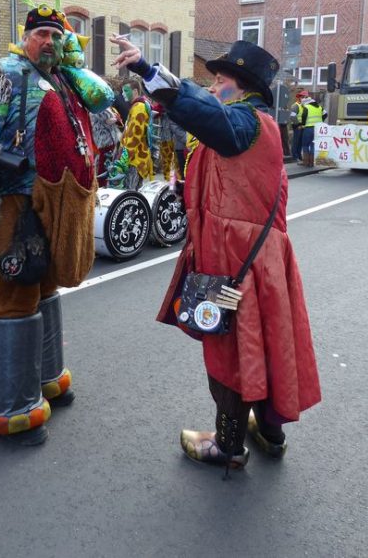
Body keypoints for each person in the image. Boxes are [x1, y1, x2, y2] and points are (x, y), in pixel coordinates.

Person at [111, 36, 321, 471]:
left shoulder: (246, 122)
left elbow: (206, 114)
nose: (212, 86)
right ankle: (270, 433)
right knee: (264, 345)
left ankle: (227, 446)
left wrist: (149, 71)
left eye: (220, 80)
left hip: (235, 262)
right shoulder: (254, 125)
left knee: (229, 350)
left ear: (243, 88)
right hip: (257, 261)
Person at [0, 5, 103, 445]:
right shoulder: (1, 74)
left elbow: (103, 103)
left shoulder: (60, 78)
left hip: (49, 203)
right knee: (12, 294)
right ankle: (10, 410)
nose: (49, 42)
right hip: (10, 203)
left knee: (43, 286)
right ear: (25, 37)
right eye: (41, 35)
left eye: (56, 35)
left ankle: (46, 378)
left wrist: (75, 64)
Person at [119, 79, 154, 189]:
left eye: (125, 90)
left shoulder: (139, 108)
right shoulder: (138, 106)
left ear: (135, 91)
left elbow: (134, 137)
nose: (123, 94)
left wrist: (123, 160)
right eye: (122, 91)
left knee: (129, 193)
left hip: (135, 160)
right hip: (136, 158)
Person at [299, 95, 327, 168]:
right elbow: (325, 114)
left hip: (308, 128)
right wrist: (321, 121)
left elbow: (304, 116)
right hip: (317, 129)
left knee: (305, 145)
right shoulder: (320, 107)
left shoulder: (307, 107)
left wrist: (303, 124)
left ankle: (306, 162)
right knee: (313, 145)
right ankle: (311, 163)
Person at [289, 89, 308, 163]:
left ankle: (299, 155)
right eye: (303, 97)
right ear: (299, 97)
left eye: (305, 97)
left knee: (300, 142)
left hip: (302, 126)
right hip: (297, 126)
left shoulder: (304, 106)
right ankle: (295, 156)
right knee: (296, 141)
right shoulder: (295, 106)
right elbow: (292, 117)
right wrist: (298, 124)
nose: (304, 99)